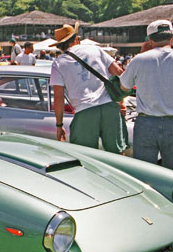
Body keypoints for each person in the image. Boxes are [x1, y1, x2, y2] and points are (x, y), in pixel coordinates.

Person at [120, 20, 173, 173]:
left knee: (144, 173)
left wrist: (141, 53)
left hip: (146, 123)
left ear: (150, 40)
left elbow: (124, 86)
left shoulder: (139, 60)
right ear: (172, 36)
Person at [50, 22, 126, 154]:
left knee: (85, 157)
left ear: (59, 46)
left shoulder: (58, 63)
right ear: (76, 39)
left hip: (84, 110)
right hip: (109, 106)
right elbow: (119, 73)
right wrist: (121, 102)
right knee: (117, 154)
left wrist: (59, 125)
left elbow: (58, 97)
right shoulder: (95, 49)